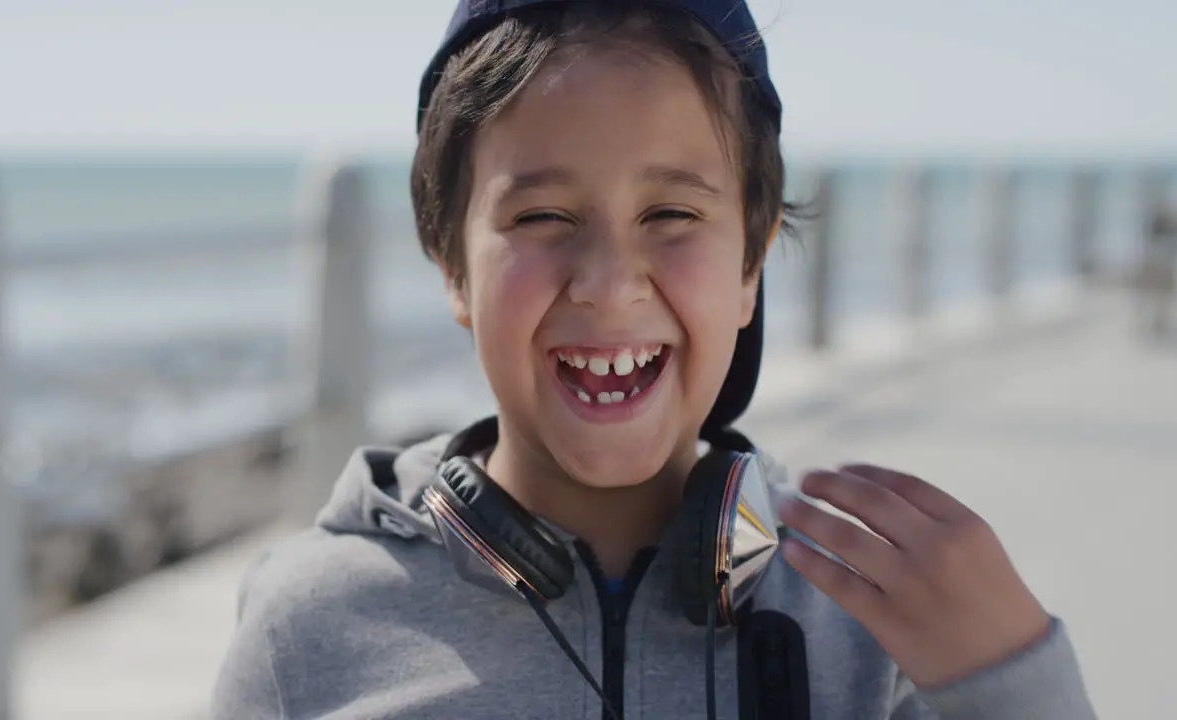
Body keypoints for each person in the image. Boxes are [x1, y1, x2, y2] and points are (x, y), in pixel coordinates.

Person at [210, 2, 1097, 718]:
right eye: (540, 218)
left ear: (751, 266)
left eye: (672, 215)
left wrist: (1013, 685)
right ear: (452, 267)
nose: (607, 284)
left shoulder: (877, 628)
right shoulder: (311, 628)